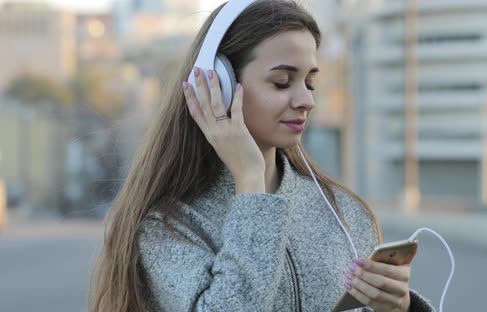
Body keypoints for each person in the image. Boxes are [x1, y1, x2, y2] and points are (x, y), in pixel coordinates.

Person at [89, 0, 435, 311]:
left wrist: (399, 309)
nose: (306, 100)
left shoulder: (346, 213)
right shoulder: (169, 227)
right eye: (282, 82)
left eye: (309, 82)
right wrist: (251, 185)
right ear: (219, 86)